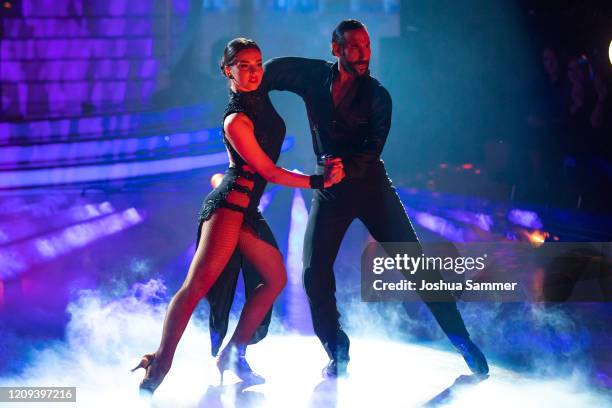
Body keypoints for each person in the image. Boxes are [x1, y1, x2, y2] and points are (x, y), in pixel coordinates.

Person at [261, 19, 489, 377]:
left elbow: (371, 150)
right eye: (353, 46)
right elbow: (272, 72)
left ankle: (463, 340)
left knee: (415, 264)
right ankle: (337, 348)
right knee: (313, 272)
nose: (363, 53)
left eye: (366, 45)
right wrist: (244, 98)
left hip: (371, 188)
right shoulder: (313, 77)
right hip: (331, 192)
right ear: (336, 49)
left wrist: (339, 170)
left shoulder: (378, 96)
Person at [132, 37, 345, 394]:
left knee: (275, 279)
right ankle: (160, 361)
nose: (253, 72)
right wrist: (318, 180)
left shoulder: (261, 99)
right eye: (243, 66)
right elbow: (269, 171)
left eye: (257, 64)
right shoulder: (236, 120)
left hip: (247, 209)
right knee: (196, 287)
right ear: (227, 70)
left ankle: (233, 353)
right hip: (230, 208)